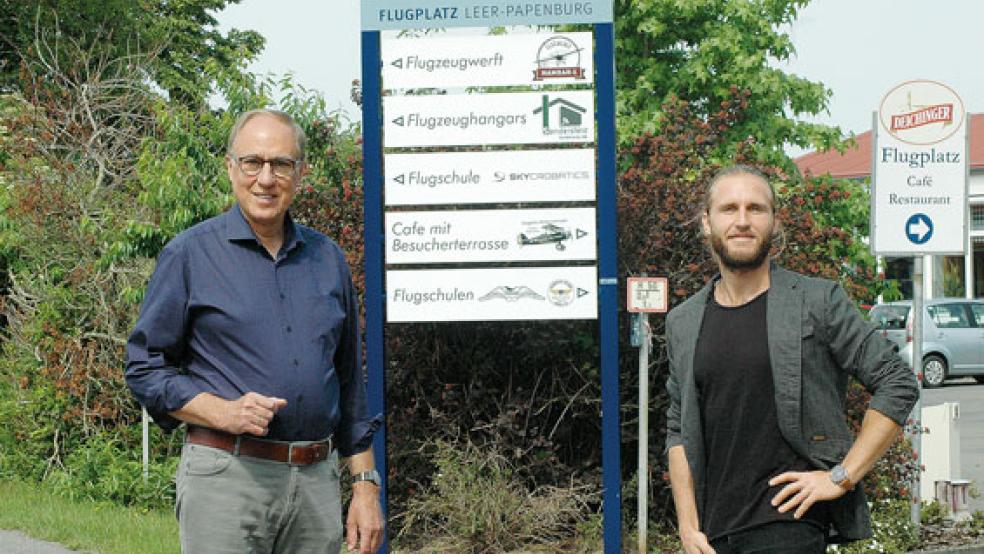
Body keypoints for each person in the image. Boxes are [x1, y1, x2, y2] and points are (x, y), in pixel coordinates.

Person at [125, 109, 384, 554]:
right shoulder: (189, 255)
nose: (266, 178)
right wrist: (220, 412)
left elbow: (349, 387)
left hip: (316, 484)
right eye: (253, 162)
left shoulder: (328, 260)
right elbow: (144, 368)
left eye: (281, 164)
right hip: (227, 476)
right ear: (231, 167)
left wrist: (364, 488)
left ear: (301, 172)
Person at [664, 165, 918, 554]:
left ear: (775, 222)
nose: (743, 221)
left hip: (788, 526)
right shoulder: (683, 321)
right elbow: (679, 429)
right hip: (713, 533)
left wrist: (840, 477)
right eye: (729, 208)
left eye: (757, 208)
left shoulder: (817, 302)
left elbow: (896, 381)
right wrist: (687, 526)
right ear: (706, 222)